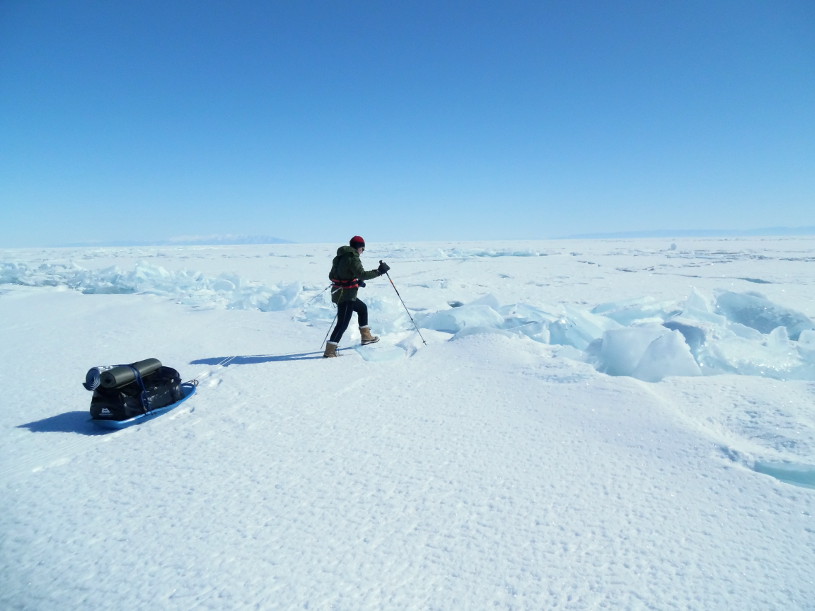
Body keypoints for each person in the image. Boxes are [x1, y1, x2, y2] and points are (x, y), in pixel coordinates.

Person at [324, 236, 390, 358]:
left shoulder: (339, 257)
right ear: (359, 247)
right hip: (346, 295)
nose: (362, 252)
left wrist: (353, 281)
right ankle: (330, 351)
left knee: (362, 308)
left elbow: (333, 275)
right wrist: (379, 272)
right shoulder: (352, 257)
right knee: (342, 323)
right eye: (362, 249)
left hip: (340, 292)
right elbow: (362, 274)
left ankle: (366, 337)